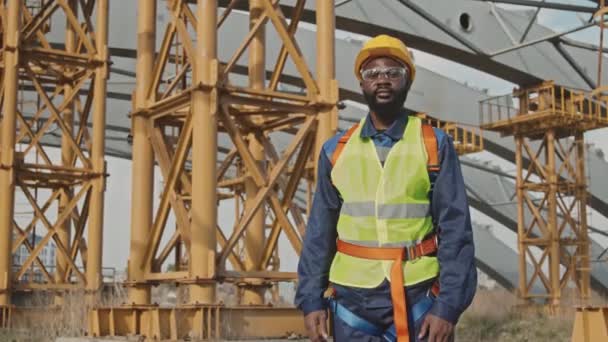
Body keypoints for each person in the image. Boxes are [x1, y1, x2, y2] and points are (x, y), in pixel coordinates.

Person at [295, 35, 477, 342]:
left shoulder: (434, 144)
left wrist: (447, 307)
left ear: (407, 83)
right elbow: (319, 233)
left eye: (393, 73)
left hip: (418, 295)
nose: (383, 80)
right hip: (352, 301)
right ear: (362, 84)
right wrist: (311, 299)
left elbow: (456, 230)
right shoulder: (335, 151)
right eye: (373, 74)